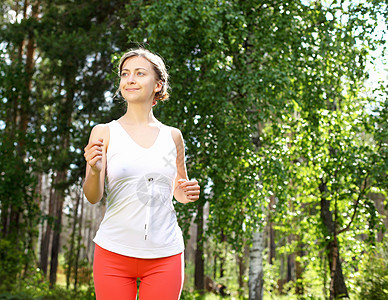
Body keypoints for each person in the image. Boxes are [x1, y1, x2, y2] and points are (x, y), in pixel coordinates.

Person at [83, 48, 201, 300]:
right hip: (113, 252)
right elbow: (93, 197)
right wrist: (94, 170)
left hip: (165, 254)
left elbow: (178, 191)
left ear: (158, 85)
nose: (130, 79)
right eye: (125, 74)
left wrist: (186, 191)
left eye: (139, 73)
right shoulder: (103, 132)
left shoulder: (173, 136)